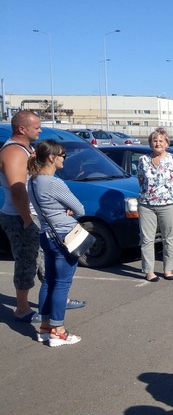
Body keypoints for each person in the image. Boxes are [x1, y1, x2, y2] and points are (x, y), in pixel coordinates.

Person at [27, 140, 85, 346]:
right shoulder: (53, 182)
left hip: (46, 233)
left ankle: (45, 327)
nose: (64, 159)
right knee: (62, 284)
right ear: (52, 157)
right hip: (63, 236)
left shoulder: (32, 180)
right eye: (62, 156)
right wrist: (66, 210)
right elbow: (80, 209)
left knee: (49, 281)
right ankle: (58, 331)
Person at [0, 110, 43, 321]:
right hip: (21, 217)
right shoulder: (14, 152)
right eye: (37, 127)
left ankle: (55, 299)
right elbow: (17, 190)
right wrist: (27, 219)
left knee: (44, 260)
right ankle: (22, 309)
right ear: (22, 129)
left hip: (33, 215)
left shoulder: (27, 149)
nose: (40, 130)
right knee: (27, 262)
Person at [137, 127, 173, 282]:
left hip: (169, 204)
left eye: (161, 141)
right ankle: (149, 271)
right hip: (146, 204)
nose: (157, 143)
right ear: (150, 143)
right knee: (147, 239)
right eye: (154, 140)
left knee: (168, 238)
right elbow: (141, 180)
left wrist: (168, 194)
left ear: (166, 143)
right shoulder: (143, 160)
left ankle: (168, 269)